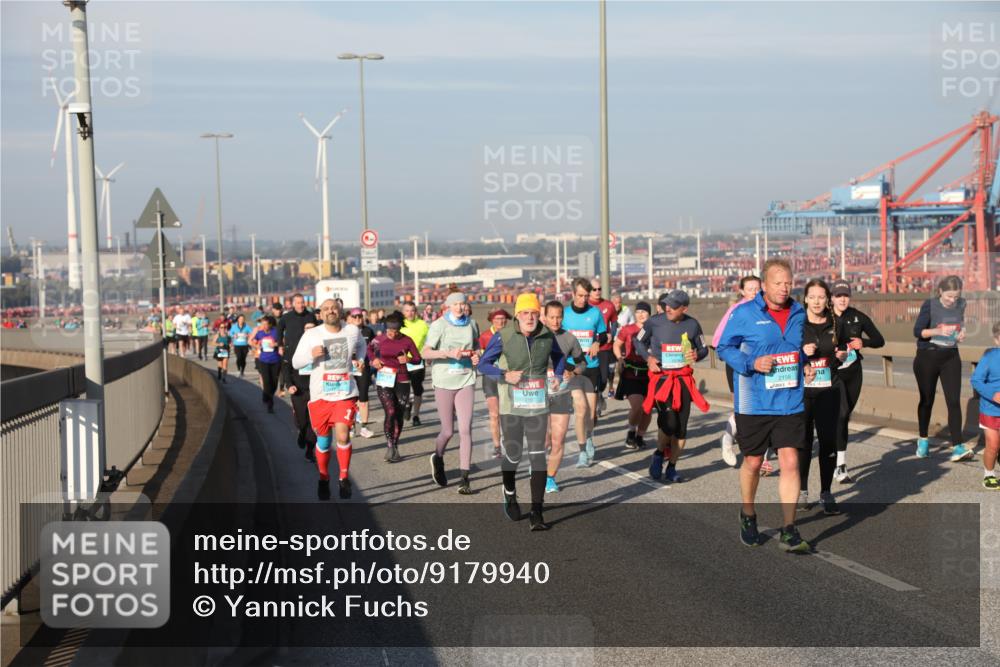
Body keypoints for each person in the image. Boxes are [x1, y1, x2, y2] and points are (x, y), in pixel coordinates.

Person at [717, 258, 814, 552]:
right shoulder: (744, 313)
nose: (784, 288)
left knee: (790, 462)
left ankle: (789, 528)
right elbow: (723, 347)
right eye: (778, 283)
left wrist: (805, 363)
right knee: (754, 462)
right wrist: (751, 363)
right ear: (764, 284)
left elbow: (796, 349)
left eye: (788, 283)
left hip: (790, 400)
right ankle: (748, 513)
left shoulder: (799, 312)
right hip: (754, 402)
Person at [478, 293, 566, 531]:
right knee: (514, 454)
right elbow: (483, 364)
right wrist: (504, 375)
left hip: (537, 404)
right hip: (511, 406)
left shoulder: (547, 335)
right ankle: (509, 492)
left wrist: (557, 376)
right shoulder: (503, 335)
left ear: (540, 315)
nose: (530, 317)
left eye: (534, 313)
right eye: (525, 313)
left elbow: (559, 357)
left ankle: (537, 512)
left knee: (538, 455)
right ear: (517, 315)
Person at [292, 299, 368, 500]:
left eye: (333, 307)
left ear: (340, 310)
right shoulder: (312, 335)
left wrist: (359, 361)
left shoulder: (352, 330)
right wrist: (311, 355)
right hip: (320, 396)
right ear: (320, 314)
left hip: (345, 393)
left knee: (343, 436)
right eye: (325, 309)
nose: (330, 311)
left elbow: (362, 345)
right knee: (324, 442)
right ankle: (323, 477)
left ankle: (343, 478)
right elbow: (295, 361)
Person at [635, 290, 710, 483]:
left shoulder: (692, 324)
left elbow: (703, 348)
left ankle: (672, 467)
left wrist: (697, 355)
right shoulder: (654, 322)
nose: (668, 308)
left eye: (673, 306)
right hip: (662, 379)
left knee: (681, 429)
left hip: (683, 379)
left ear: (684, 308)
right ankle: (659, 454)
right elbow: (638, 340)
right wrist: (649, 358)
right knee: (669, 423)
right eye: (667, 304)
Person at [422, 292, 481, 494]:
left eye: (462, 304)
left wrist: (476, 357)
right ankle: (437, 456)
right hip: (444, 381)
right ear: (447, 306)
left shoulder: (472, 324)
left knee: (465, 430)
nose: (459, 307)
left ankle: (465, 479)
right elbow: (425, 352)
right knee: (448, 431)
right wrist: (447, 353)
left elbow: (477, 347)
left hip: (466, 379)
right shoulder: (439, 325)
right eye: (455, 304)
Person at [799, 279, 848, 515]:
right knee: (804, 443)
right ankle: (802, 491)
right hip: (804, 391)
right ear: (806, 298)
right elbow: (784, 353)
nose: (817, 301)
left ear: (827, 299)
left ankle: (826, 492)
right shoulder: (797, 324)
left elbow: (845, 350)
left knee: (828, 442)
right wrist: (801, 353)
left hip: (829, 389)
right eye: (813, 297)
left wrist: (842, 354)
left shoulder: (836, 323)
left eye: (821, 297)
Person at [913, 275, 973, 461]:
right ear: (940, 292)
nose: (952, 300)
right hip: (927, 356)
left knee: (953, 401)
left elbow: (960, 322)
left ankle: (958, 446)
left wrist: (962, 332)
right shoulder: (930, 305)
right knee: (927, 400)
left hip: (951, 356)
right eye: (948, 297)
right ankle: (923, 439)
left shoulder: (961, 303)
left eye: (955, 297)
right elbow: (918, 331)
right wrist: (938, 331)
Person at [829, 280, 884, 482]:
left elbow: (880, 340)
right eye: (838, 295)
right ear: (832, 298)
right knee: (841, 414)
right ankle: (840, 465)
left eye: (846, 295)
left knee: (844, 417)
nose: (842, 299)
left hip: (853, 373)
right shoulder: (825, 317)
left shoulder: (857, 317)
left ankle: (837, 457)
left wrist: (864, 342)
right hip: (832, 372)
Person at [713, 275, 761, 467]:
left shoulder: (766, 310)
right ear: (742, 291)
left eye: (758, 288)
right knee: (742, 408)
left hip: (761, 364)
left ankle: (759, 452)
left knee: (761, 407)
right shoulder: (736, 310)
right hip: (737, 364)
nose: (755, 293)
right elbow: (718, 340)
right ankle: (727, 440)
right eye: (750, 289)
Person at [561, 277, 608, 467]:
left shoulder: (595, 313)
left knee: (590, 413)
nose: (583, 299)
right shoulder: (564, 315)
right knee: (580, 410)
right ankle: (582, 452)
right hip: (573, 368)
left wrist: (598, 342)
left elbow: (604, 334)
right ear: (573, 294)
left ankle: (589, 438)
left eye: (586, 296)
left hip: (592, 367)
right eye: (580, 295)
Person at [542, 300, 586, 493]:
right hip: (538, 394)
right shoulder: (536, 337)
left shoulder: (569, 338)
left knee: (558, 440)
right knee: (544, 439)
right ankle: (538, 464)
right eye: (551, 317)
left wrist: (574, 373)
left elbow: (582, 362)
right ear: (544, 317)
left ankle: (550, 478)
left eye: (559, 316)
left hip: (560, 393)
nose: (555, 320)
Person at [369, 311, 422, 463]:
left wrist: (409, 359)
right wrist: (374, 360)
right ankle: (389, 445)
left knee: (398, 415)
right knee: (390, 411)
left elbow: (418, 359)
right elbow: (369, 350)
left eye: (395, 331)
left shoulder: (407, 340)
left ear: (399, 329)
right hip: (385, 378)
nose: (391, 334)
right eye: (389, 331)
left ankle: (396, 446)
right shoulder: (378, 340)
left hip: (402, 379)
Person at [613, 301, 652, 450]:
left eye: (644, 312)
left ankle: (640, 436)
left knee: (647, 409)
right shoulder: (628, 330)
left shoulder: (654, 329)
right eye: (638, 312)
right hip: (631, 372)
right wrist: (620, 358)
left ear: (649, 314)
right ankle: (631, 432)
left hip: (649, 373)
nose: (641, 314)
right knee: (637, 406)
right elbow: (617, 345)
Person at [970, 322, 1000, 490]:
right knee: (993, 444)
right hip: (990, 409)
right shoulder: (990, 357)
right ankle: (989, 475)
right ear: (997, 340)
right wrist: (993, 394)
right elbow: (976, 380)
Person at [479, 309, 511, 460]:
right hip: (491, 377)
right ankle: (497, 446)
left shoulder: (512, 335)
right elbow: (480, 358)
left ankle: (508, 442)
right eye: (498, 319)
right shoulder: (485, 336)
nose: (501, 322)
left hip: (506, 377)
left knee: (507, 413)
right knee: (494, 414)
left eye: (504, 319)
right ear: (492, 320)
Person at [588, 278, 618, 408]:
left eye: (599, 289)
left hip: (605, 346)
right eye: (594, 289)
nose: (597, 291)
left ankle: (600, 392)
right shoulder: (585, 306)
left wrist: (613, 333)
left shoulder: (609, 305)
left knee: (604, 378)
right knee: (590, 376)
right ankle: (593, 398)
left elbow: (614, 322)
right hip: (588, 347)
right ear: (589, 291)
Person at [347, 308, 377, 439]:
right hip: (348, 367)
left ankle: (364, 427)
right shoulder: (345, 331)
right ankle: (351, 426)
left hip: (363, 368)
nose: (358, 318)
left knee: (363, 397)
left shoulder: (368, 331)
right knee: (351, 399)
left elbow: (375, 347)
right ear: (350, 318)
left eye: (360, 316)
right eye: (355, 316)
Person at [401, 301, 430, 426]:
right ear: (403, 312)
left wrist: (429, 355)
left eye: (412, 310)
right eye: (407, 310)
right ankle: (406, 404)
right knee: (403, 389)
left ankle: (416, 416)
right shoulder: (400, 325)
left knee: (418, 389)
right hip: (402, 362)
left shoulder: (423, 324)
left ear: (416, 311)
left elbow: (429, 341)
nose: (410, 313)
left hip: (418, 361)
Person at [252, 315, 282, 414]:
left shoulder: (276, 332)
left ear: (270, 324)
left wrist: (276, 344)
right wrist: (256, 344)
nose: (264, 326)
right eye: (262, 324)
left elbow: (282, 342)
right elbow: (254, 341)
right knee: (267, 381)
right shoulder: (259, 333)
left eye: (266, 324)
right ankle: (270, 403)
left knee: (274, 382)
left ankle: (266, 395)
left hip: (275, 360)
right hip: (263, 360)